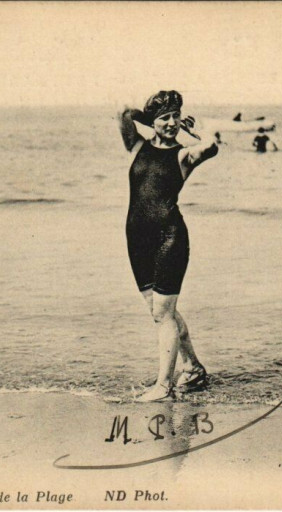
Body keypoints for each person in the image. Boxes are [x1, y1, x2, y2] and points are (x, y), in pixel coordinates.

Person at [118, 90, 218, 402]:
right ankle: (193, 368)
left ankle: (164, 386)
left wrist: (195, 129)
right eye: (165, 117)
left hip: (169, 238)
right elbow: (122, 112)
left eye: (176, 116)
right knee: (161, 312)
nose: (172, 122)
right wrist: (148, 119)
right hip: (137, 240)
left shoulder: (182, 155)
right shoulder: (137, 146)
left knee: (164, 312)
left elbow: (212, 146)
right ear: (153, 121)